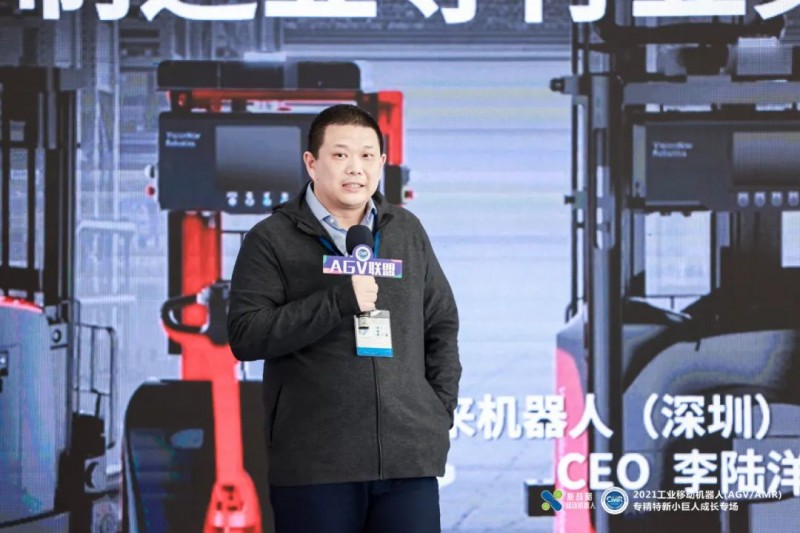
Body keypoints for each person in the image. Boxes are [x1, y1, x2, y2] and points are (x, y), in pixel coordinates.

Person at [227, 104, 461, 533]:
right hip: (316, 467)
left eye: (367, 155)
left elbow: (441, 323)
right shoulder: (271, 239)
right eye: (340, 155)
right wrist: (338, 301)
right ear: (311, 163)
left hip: (408, 463)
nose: (355, 168)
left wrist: (436, 410)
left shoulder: (406, 230)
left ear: (382, 162)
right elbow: (247, 334)